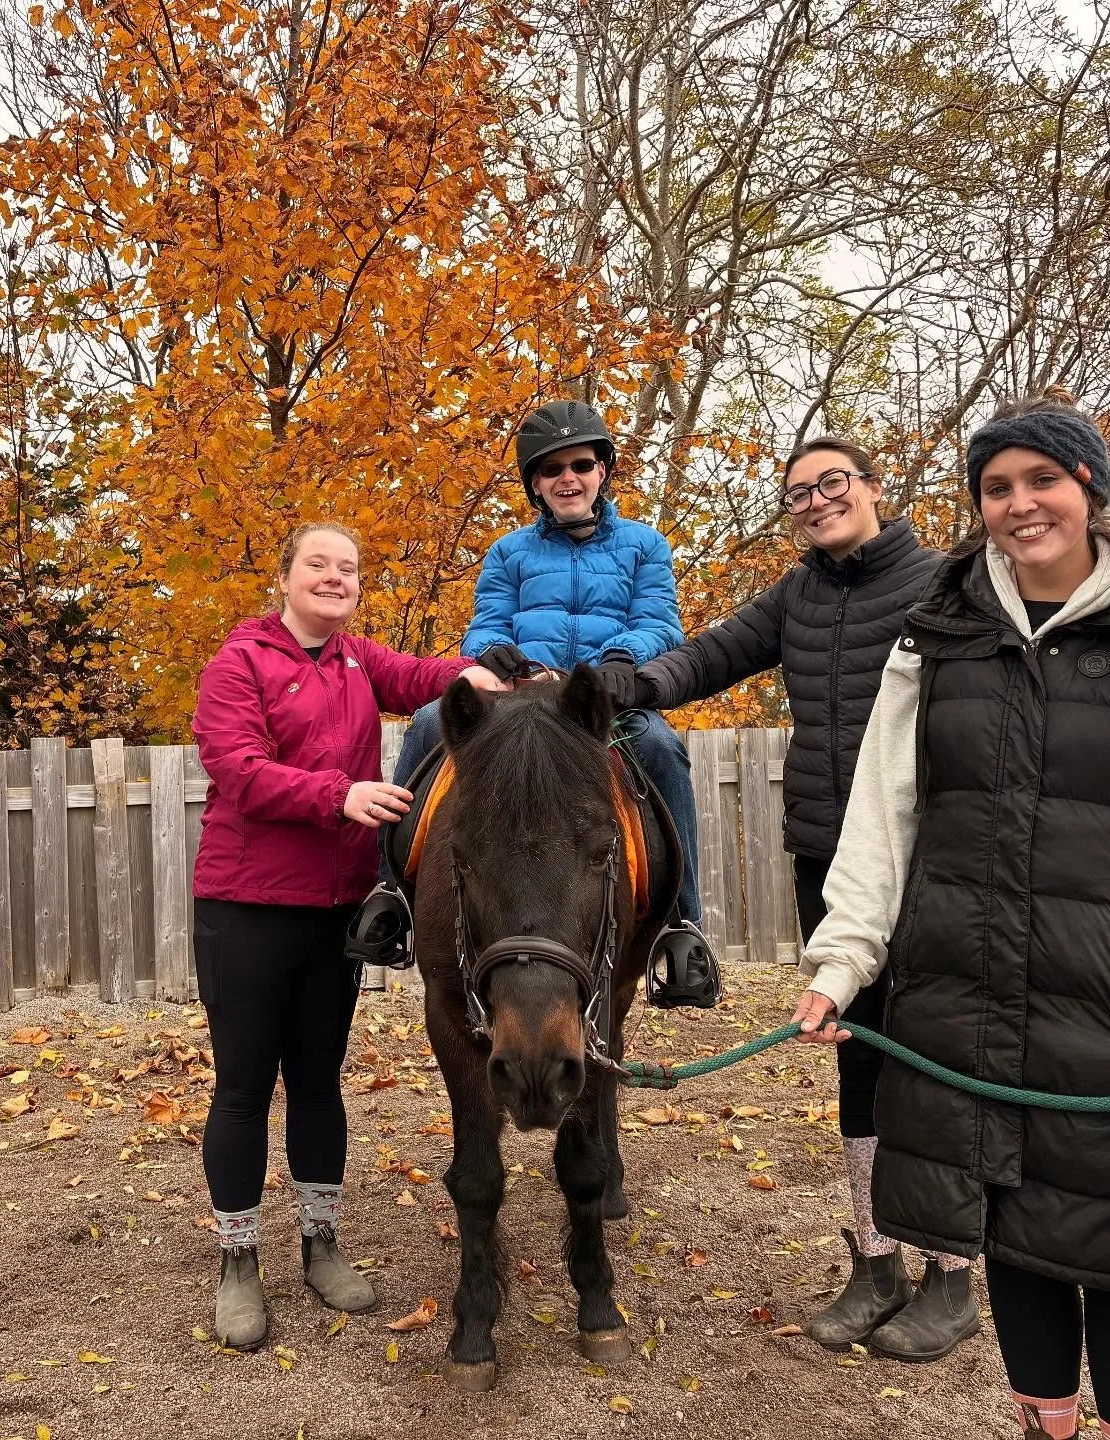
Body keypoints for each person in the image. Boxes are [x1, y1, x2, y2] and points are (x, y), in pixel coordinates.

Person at [792, 390, 1110, 1440]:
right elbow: (883, 814)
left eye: (1043, 480)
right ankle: (1047, 1427)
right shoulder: (935, 636)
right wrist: (841, 959)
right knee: (1007, 1229)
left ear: (1090, 487)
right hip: (964, 993)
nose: (1020, 505)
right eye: (996, 488)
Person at [605, 435, 979, 1358]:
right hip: (828, 855)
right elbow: (715, 655)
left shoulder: (943, 585)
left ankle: (953, 1274)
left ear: (874, 488)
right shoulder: (798, 595)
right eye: (799, 493)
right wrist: (637, 683)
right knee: (855, 1057)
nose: (816, 502)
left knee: (929, 1060)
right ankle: (876, 1258)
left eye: (832, 484)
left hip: (932, 860)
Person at [190, 522, 504, 1350]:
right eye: (319, 565)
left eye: (349, 569)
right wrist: (341, 796)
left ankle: (320, 1245)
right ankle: (237, 1261)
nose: (336, 578)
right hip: (247, 908)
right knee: (244, 1088)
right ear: (285, 578)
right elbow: (238, 770)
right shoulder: (239, 664)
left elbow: (430, 676)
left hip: (337, 914)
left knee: (320, 1081)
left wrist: (495, 665)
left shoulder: (359, 660)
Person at [349, 397, 721, 1006]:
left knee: (660, 747)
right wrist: (496, 653)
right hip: (522, 696)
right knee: (422, 725)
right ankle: (389, 892)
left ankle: (682, 926)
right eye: (551, 470)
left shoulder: (644, 545)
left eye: (580, 464)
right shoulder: (509, 553)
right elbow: (485, 625)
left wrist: (619, 662)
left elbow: (660, 621)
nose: (567, 479)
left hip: (603, 699)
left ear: (602, 469)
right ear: (534, 485)